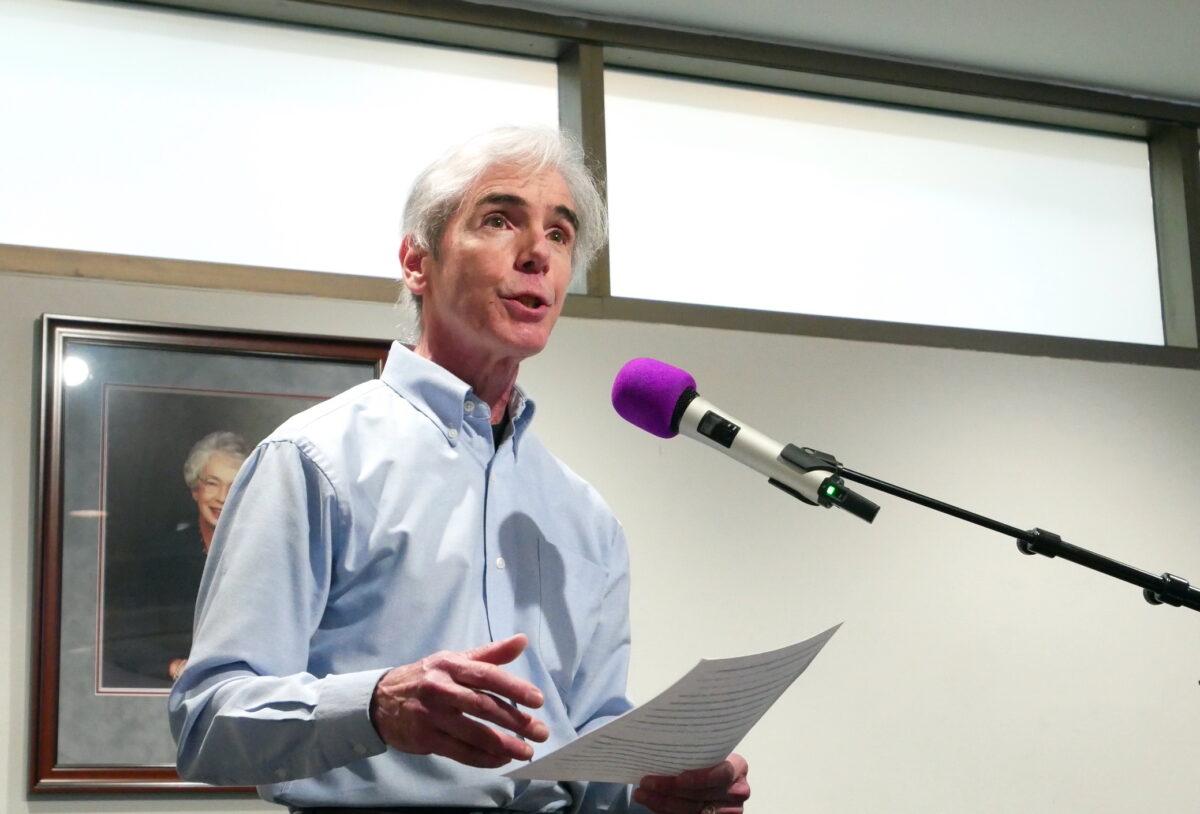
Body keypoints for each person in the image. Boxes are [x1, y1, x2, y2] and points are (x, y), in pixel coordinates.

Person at [168, 127, 750, 814]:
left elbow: (594, 755)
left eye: (560, 235)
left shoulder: (586, 517)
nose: (537, 253)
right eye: (500, 221)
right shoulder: (314, 461)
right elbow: (206, 720)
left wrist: (659, 793)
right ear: (418, 261)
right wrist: (378, 706)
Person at [166, 431, 248, 681]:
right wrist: (172, 665)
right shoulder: (163, 554)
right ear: (195, 489)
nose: (222, 497)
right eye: (212, 483)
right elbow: (129, 639)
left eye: (234, 486)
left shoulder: (264, 555)